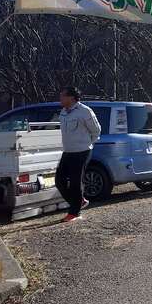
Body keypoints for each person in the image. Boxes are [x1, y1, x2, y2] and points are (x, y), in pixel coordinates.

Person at [55, 86, 101, 222]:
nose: (60, 98)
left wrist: (87, 144)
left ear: (71, 98)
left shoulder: (85, 111)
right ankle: (79, 201)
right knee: (59, 180)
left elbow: (96, 131)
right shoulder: (63, 112)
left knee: (76, 182)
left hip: (82, 151)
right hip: (68, 151)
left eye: (63, 95)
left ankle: (74, 212)